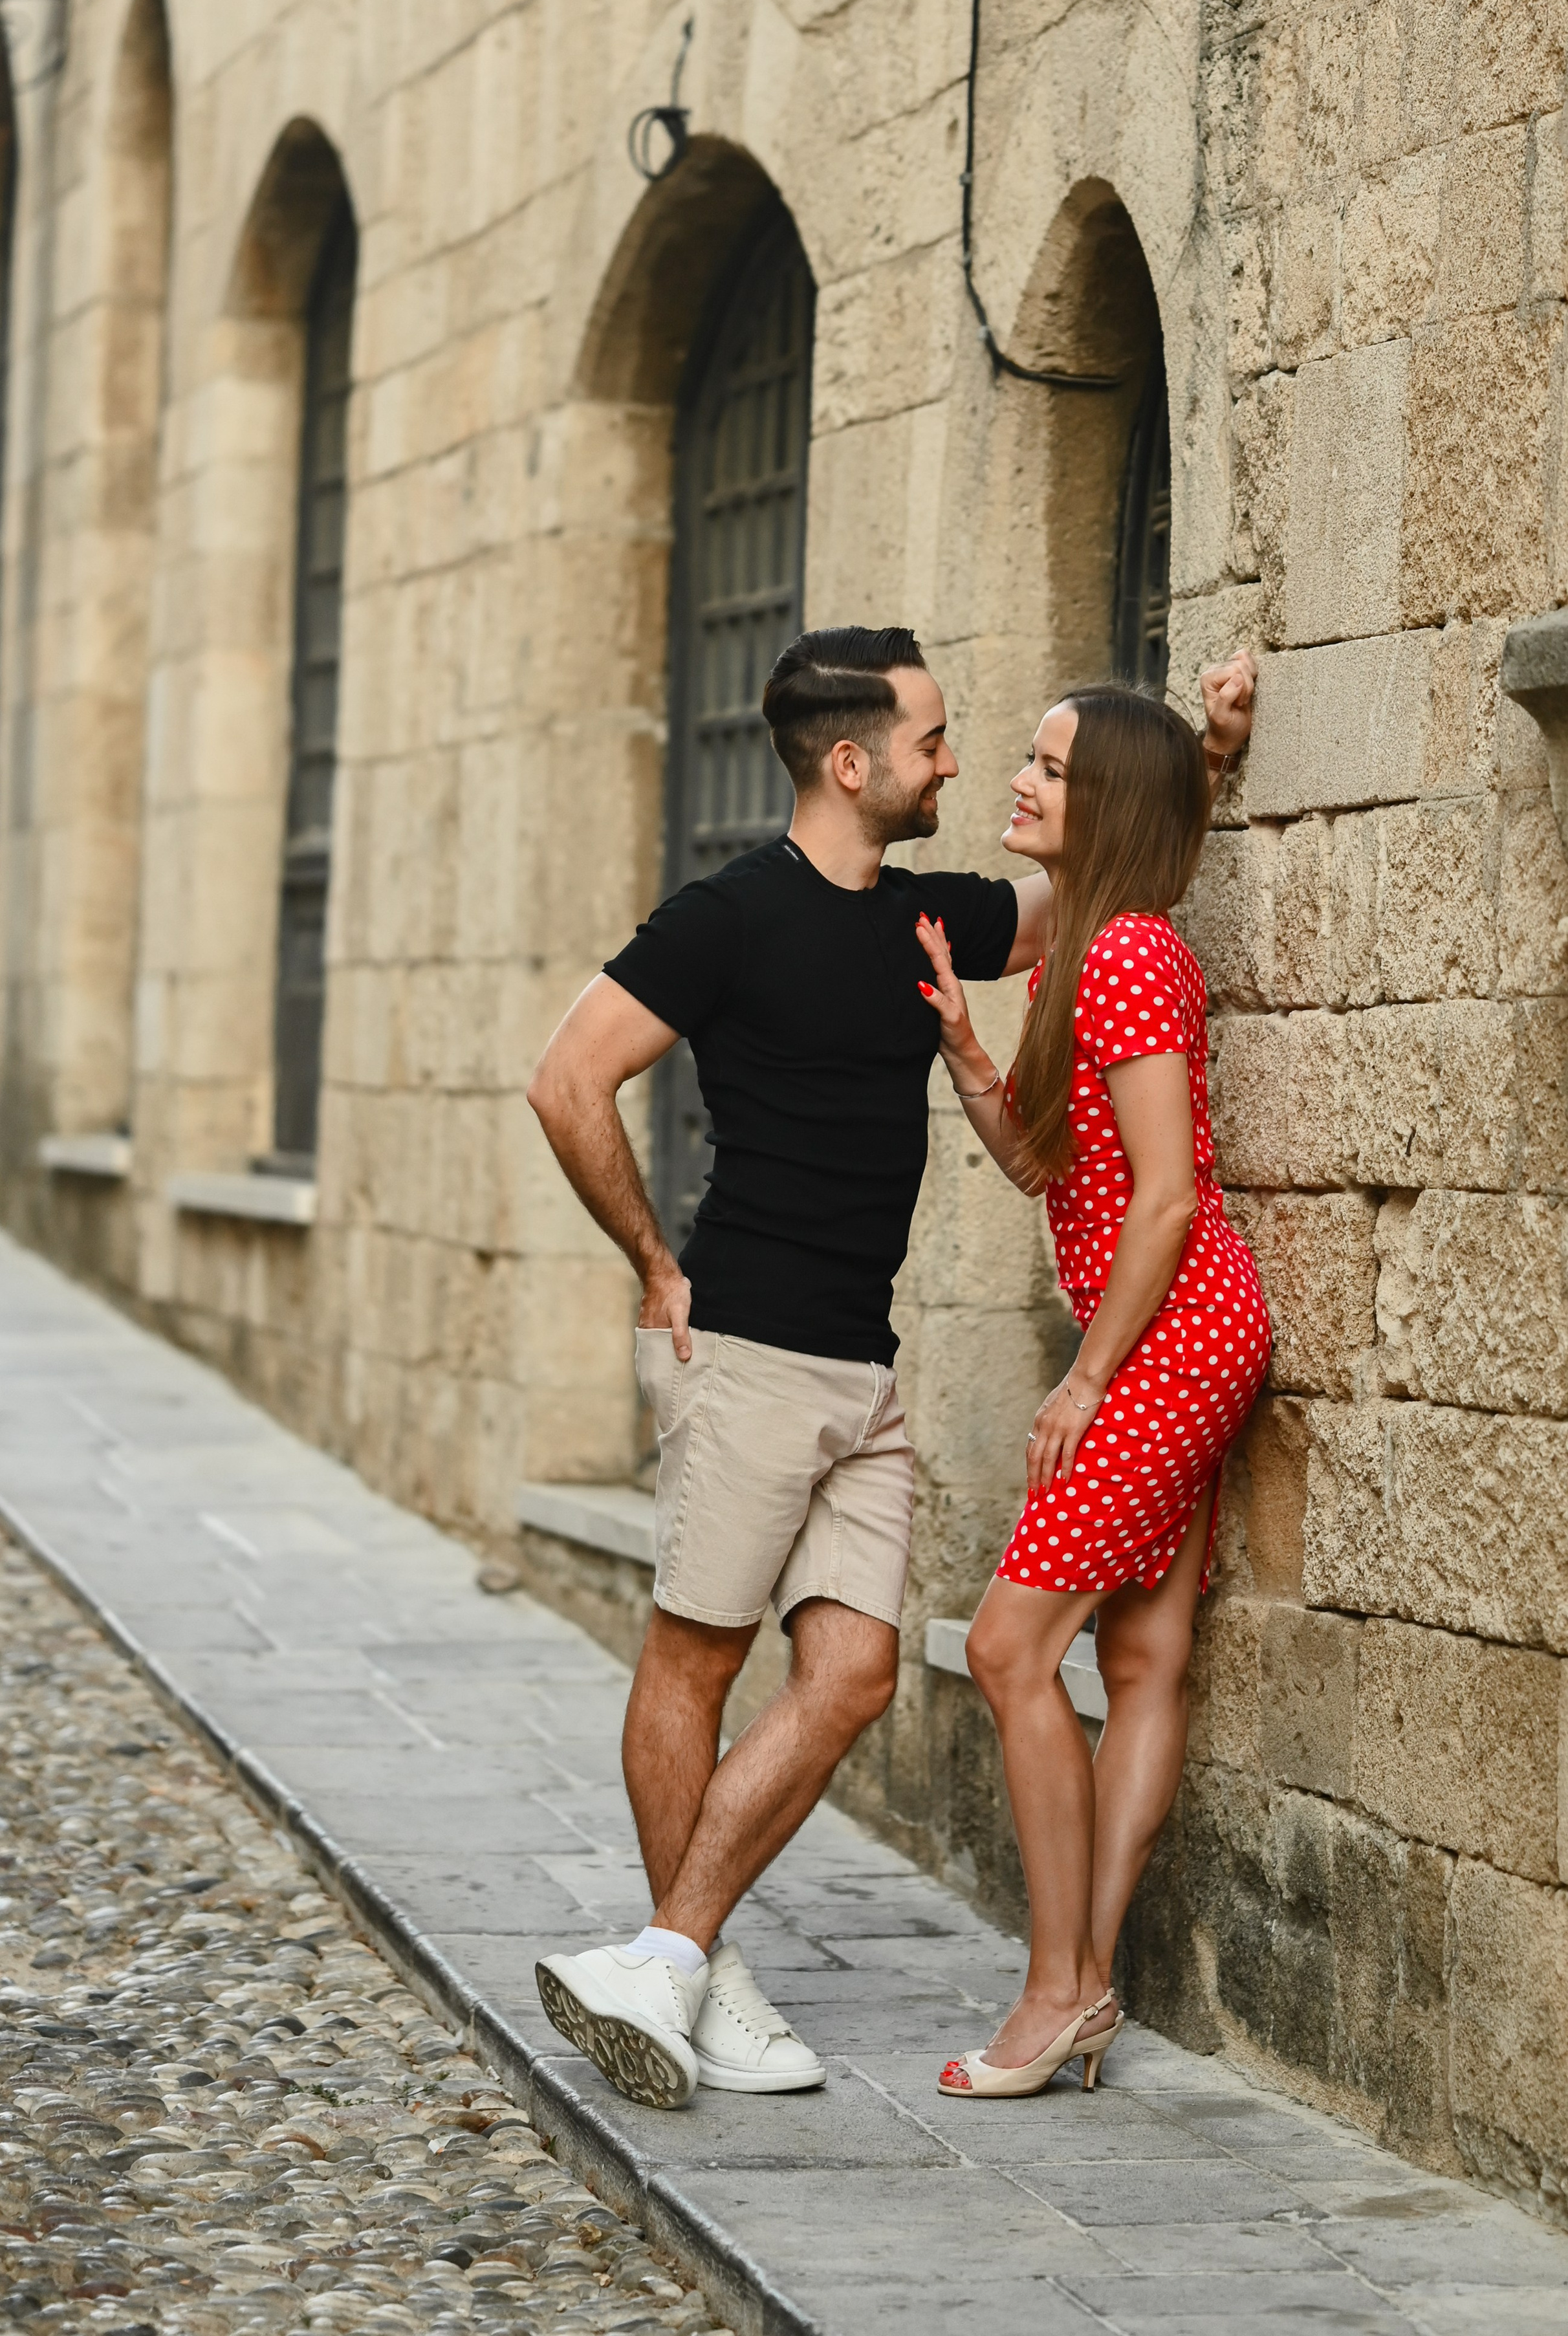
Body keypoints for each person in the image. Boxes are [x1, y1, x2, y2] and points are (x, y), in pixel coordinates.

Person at [525, 625, 1256, 2111]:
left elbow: (1100, 874)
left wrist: (1210, 757)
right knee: (696, 1656)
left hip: (862, 1365)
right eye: (930, 739)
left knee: (852, 1672)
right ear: (850, 763)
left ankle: (667, 1955)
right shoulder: (723, 916)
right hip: (742, 1345)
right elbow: (567, 1076)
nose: (952, 761)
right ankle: (695, 1971)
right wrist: (652, 1263)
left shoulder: (926, 919)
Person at [914, 667, 1267, 2100]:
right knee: (1135, 1658)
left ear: (1100, 803)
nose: (1018, 781)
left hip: (1170, 1339)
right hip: (1183, 1334)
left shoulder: (1121, 958)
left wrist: (1085, 1379)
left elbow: (1169, 1200)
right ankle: (1086, 1987)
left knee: (1008, 1649)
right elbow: (1048, 1171)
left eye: (1049, 768)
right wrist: (965, 1055)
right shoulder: (1093, 945)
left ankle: (1057, 1988)